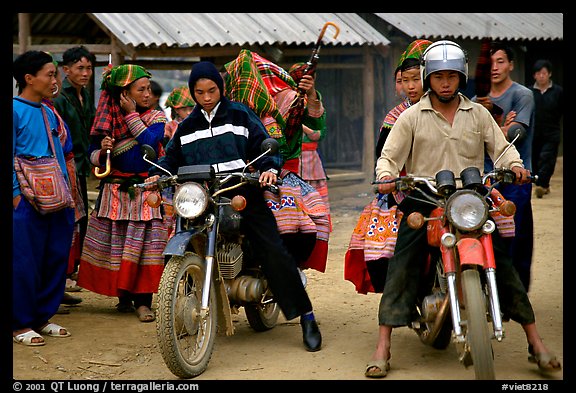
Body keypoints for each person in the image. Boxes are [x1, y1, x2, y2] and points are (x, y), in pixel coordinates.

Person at [366, 40, 561, 378]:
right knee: (404, 261)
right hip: (425, 196)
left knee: (502, 262)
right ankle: (383, 345)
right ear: (429, 78)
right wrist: (385, 175)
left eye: (451, 76)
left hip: (471, 198)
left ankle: (536, 341)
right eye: (438, 76)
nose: (445, 83)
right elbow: (389, 157)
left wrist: (516, 166)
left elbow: (502, 151)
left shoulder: (478, 113)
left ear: (461, 77)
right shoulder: (412, 116)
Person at [146, 61, 322, 351]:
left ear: (221, 88)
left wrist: (268, 168)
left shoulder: (240, 115)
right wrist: (158, 172)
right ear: (192, 92)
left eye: (211, 90)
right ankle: (179, 308)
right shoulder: (187, 126)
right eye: (199, 92)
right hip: (203, 196)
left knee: (272, 249)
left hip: (242, 192)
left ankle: (306, 316)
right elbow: (170, 158)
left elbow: (264, 144)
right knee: (180, 241)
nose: (206, 97)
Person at [224, 50, 330, 275]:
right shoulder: (227, 110)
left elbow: (316, 128)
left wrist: (309, 95)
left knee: (288, 225)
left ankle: (290, 271)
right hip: (235, 177)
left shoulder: (285, 101)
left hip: (275, 176)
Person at [76, 64, 169, 323]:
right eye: (141, 89)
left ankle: (143, 302)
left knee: (143, 247)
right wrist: (103, 150)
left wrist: (130, 115)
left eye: (149, 89)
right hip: (115, 191)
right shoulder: (106, 123)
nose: (147, 94)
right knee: (118, 246)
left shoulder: (156, 117)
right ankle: (123, 298)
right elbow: (92, 156)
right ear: (124, 94)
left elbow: (150, 142)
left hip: (145, 191)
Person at [345, 39, 431, 296]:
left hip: (449, 186)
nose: (410, 86)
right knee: (398, 250)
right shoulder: (395, 118)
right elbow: (384, 158)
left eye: (416, 78)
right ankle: (395, 310)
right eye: (405, 80)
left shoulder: (457, 109)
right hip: (407, 191)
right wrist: (386, 178)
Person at [13, 50, 75, 345]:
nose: (55, 80)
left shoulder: (49, 112)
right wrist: (15, 196)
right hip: (25, 200)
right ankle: (20, 322)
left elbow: (61, 154)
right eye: (49, 74)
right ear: (29, 79)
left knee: (55, 257)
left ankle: (42, 316)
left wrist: (67, 192)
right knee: (25, 260)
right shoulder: (14, 110)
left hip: (57, 198)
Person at [476, 42, 535, 292]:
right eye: (491, 63)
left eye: (501, 61)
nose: (495, 67)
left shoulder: (522, 95)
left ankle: (515, 293)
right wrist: (501, 125)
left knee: (516, 236)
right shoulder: (476, 100)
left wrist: (495, 126)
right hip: (482, 178)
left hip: (515, 178)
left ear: (511, 65)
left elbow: (517, 134)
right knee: (482, 234)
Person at [53, 45, 96, 293]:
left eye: (89, 68)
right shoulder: (60, 97)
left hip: (81, 166)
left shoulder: (85, 96)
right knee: (68, 220)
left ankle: (69, 273)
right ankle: (64, 275)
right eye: (80, 68)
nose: (86, 73)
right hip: (65, 167)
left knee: (80, 220)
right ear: (66, 69)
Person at [290, 63, 331, 231]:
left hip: (311, 161)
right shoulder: (287, 99)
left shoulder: (315, 101)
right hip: (292, 162)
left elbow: (319, 134)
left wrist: (301, 125)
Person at [529, 59, 563, 198]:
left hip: (552, 132)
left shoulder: (558, 92)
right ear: (534, 76)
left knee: (547, 158)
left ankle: (541, 185)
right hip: (534, 132)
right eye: (538, 73)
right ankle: (544, 184)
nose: (541, 76)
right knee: (536, 160)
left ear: (549, 74)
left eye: (544, 73)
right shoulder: (529, 92)